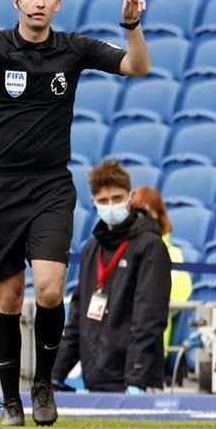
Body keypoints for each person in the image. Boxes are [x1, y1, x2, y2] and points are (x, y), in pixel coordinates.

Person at [0, 0, 150, 427]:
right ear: (16, 2)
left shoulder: (73, 49)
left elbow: (137, 66)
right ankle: (10, 401)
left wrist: (132, 26)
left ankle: (43, 386)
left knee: (51, 291)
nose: (39, 1)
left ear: (58, 4)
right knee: (10, 300)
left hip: (52, 185)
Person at [51, 161, 172, 393]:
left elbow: (148, 318)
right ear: (93, 202)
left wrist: (136, 377)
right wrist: (54, 375)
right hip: (96, 377)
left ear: (131, 196)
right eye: (104, 201)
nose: (111, 205)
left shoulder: (149, 246)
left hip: (137, 380)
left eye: (117, 198)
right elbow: (77, 320)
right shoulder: (91, 249)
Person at [129, 186, 193, 350]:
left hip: (150, 347)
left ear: (158, 215)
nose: (140, 218)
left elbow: (173, 299)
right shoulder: (123, 251)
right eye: (135, 212)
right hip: (117, 347)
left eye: (145, 212)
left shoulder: (173, 254)